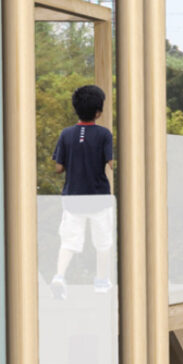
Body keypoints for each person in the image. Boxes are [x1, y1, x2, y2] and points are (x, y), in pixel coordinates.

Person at [49, 83, 115, 298]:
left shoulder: (66, 134)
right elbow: (112, 163)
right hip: (98, 198)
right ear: (99, 111)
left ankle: (59, 277)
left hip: (73, 198)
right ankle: (102, 282)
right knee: (103, 242)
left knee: (69, 241)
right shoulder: (104, 134)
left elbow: (58, 168)